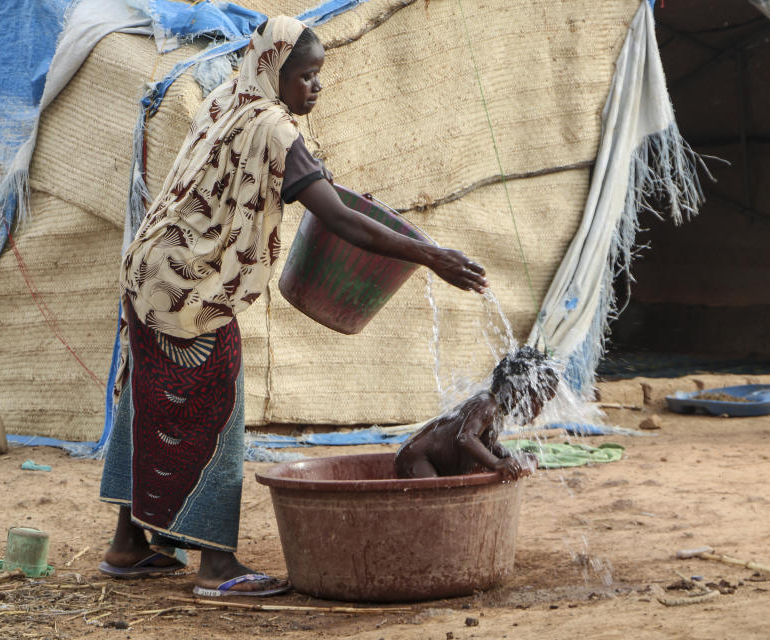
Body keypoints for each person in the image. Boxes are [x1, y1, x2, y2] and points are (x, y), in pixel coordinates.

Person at [97, 16, 488, 597]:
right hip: (187, 289)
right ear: (275, 73)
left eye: (318, 77)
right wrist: (431, 255)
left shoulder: (228, 97)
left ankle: (128, 546)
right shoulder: (272, 129)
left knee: (149, 399)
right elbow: (338, 218)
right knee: (214, 407)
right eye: (305, 76)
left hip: (150, 269)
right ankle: (216, 565)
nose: (315, 88)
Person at [394, 346, 559, 480]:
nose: (539, 409)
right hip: (417, 458)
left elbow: (487, 443)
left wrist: (510, 455)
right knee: (432, 492)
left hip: (431, 460)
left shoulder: (497, 411)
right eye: (539, 401)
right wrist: (496, 463)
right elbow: (466, 437)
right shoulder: (487, 404)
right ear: (518, 389)